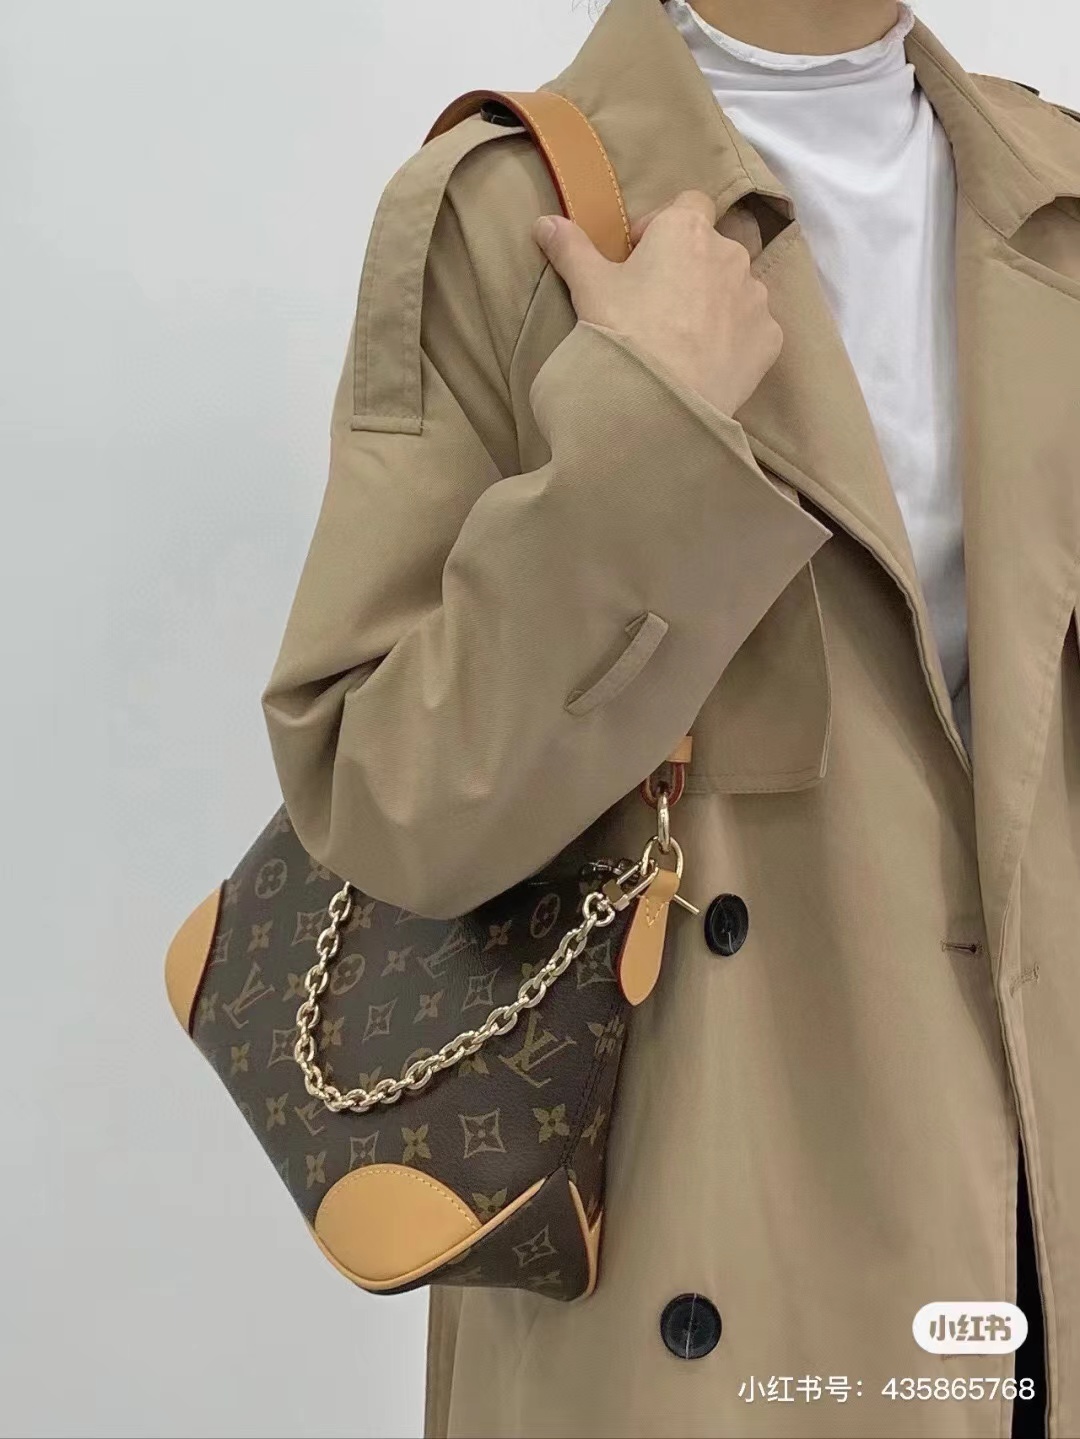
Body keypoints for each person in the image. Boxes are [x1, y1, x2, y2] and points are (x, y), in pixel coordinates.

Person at [259, 0, 1080, 1434]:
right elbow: (386, 803)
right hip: (715, 1226)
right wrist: (646, 427)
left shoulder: (1052, 194)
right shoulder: (500, 211)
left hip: (1038, 1216)